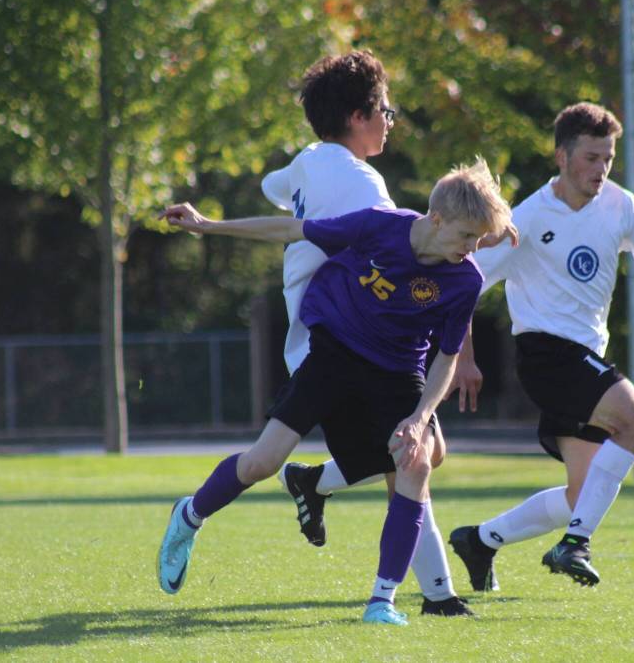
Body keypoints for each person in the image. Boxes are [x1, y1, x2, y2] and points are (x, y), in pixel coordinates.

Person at [155, 158, 513, 626]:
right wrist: (207, 225)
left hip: (398, 372)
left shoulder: (465, 278)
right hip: (334, 355)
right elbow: (290, 229)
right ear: (437, 219)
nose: (472, 249)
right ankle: (189, 515)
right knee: (263, 462)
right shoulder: (379, 227)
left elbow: (445, 358)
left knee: (417, 460)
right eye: (467, 236)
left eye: (479, 240)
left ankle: (381, 603)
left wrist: (421, 416)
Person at [446, 102, 634, 590]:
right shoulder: (526, 218)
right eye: (590, 158)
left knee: (581, 495)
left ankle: (480, 540)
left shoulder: (621, 206)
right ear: (562, 157)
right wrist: (467, 359)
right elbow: (465, 285)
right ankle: (574, 545)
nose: (600, 169)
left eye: (607, 158)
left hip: (586, 357)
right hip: (546, 355)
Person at [259, 50, 469, 616]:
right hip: (345, 337)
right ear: (357, 116)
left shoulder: (308, 159)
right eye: (385, 109)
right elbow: (408, 262)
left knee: (423, 450)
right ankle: (437, 596)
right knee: (411, 454)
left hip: (323, 332)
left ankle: (314, 484)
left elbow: (271, 186)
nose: (390, 120)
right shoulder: (366, 187)